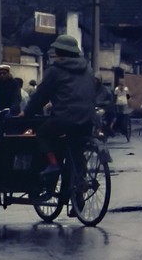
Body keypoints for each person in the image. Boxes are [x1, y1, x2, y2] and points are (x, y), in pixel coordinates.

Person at [23, 35, 96, 184]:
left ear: (60, 52)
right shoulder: (88, 69)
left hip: (64, 119)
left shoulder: (55, 70)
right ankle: (78, 189)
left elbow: (41, 96)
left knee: (42, 133)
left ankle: (53, 164)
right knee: (76, 150)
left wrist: (27, 113)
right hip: (88, 119)